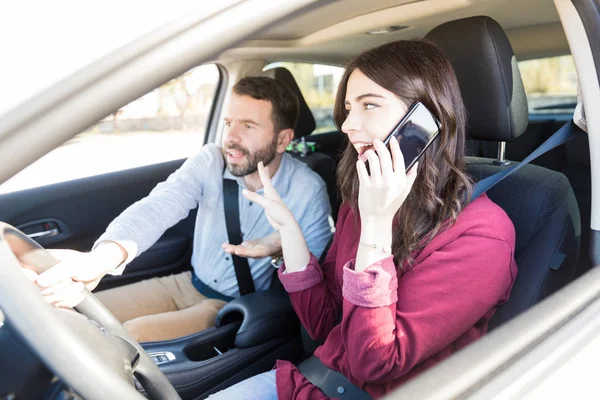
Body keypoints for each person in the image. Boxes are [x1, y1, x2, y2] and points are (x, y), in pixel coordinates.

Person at [208, 39, 518, 400]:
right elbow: (325, 326)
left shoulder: (483, 235)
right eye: (348, 108)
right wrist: (290, 233)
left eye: (369, 105)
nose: (348, 125)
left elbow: (373, 363)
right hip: (308, 382)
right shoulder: (362, 203)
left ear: (424, 118)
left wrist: (376, 228)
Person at [29, 76, 333, 342]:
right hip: (186, 282)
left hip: (232, 304)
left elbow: (317, 275)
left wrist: (280, 248)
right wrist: (100, 259)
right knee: (73, 310)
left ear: (283, 140)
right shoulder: (212, 161)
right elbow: (159, 206)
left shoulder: (308, 189)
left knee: (124, 337)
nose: (231, 137)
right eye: (229, 123)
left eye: (249, 126)